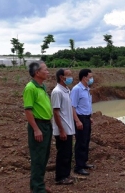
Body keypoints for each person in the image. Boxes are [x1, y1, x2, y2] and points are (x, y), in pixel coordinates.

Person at [23, 61, 53, 193]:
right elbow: (28, 111)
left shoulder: (42, 86)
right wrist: (36, 129)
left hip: (46, 125)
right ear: (37, 73)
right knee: (38, 158)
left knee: (44, 156)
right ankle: (37, 188)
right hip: (39, 125)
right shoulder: (30, 88)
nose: (48, 72)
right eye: (45, 70)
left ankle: (38, 184)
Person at [51, 69, 83, 185]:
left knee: (68, 153)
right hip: (62, 129)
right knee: (63, 154)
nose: (71, 77)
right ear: (61, 77)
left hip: (68, 128)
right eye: (68, 75)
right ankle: (60, 177)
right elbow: (56, 112)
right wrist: (61, 130)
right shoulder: (57, 92)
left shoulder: (67, 90)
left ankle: (66, 174)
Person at [70, 69, 95, 175]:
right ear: (84, 78)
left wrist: (89, 117)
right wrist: (77, 121)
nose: (91, 79)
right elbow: (72, 107)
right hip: (80, 118)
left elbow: (85, 105)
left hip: (86, 118)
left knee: (86, 141)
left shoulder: (86, 89)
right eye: (90, 77)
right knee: (81, 142)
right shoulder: (77, 89)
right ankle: (78, 167)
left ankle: (84, 162)